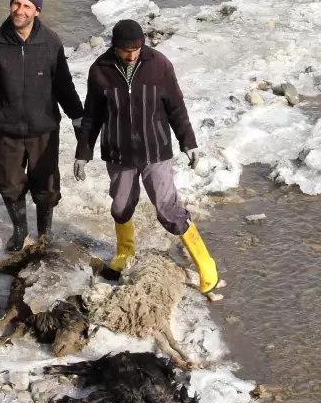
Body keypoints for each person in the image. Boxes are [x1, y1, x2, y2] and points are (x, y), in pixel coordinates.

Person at [73, 19, 220, 294]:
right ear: (115, 47)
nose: (131, 55)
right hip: (118, 154)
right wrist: (83, 152)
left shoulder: (159, 65)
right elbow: (92, 115)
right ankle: (124, 253)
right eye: (126, 50)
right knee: (120, 206)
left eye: (136, 49)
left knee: (168, 209)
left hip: (156, 151)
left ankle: (204, 261)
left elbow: (176, 106)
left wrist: (188, 141)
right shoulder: (100, 70)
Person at [0, 0, 84, 251]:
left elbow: (64, 84)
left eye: (27, 5)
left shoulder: (51, 42)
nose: (20, 10)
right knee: (10, 184)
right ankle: (19, 231)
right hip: (6, 130)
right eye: (16, 3)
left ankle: (46, 232)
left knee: (46, 185)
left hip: (43, 129)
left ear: (37, 10)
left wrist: (78, 117)